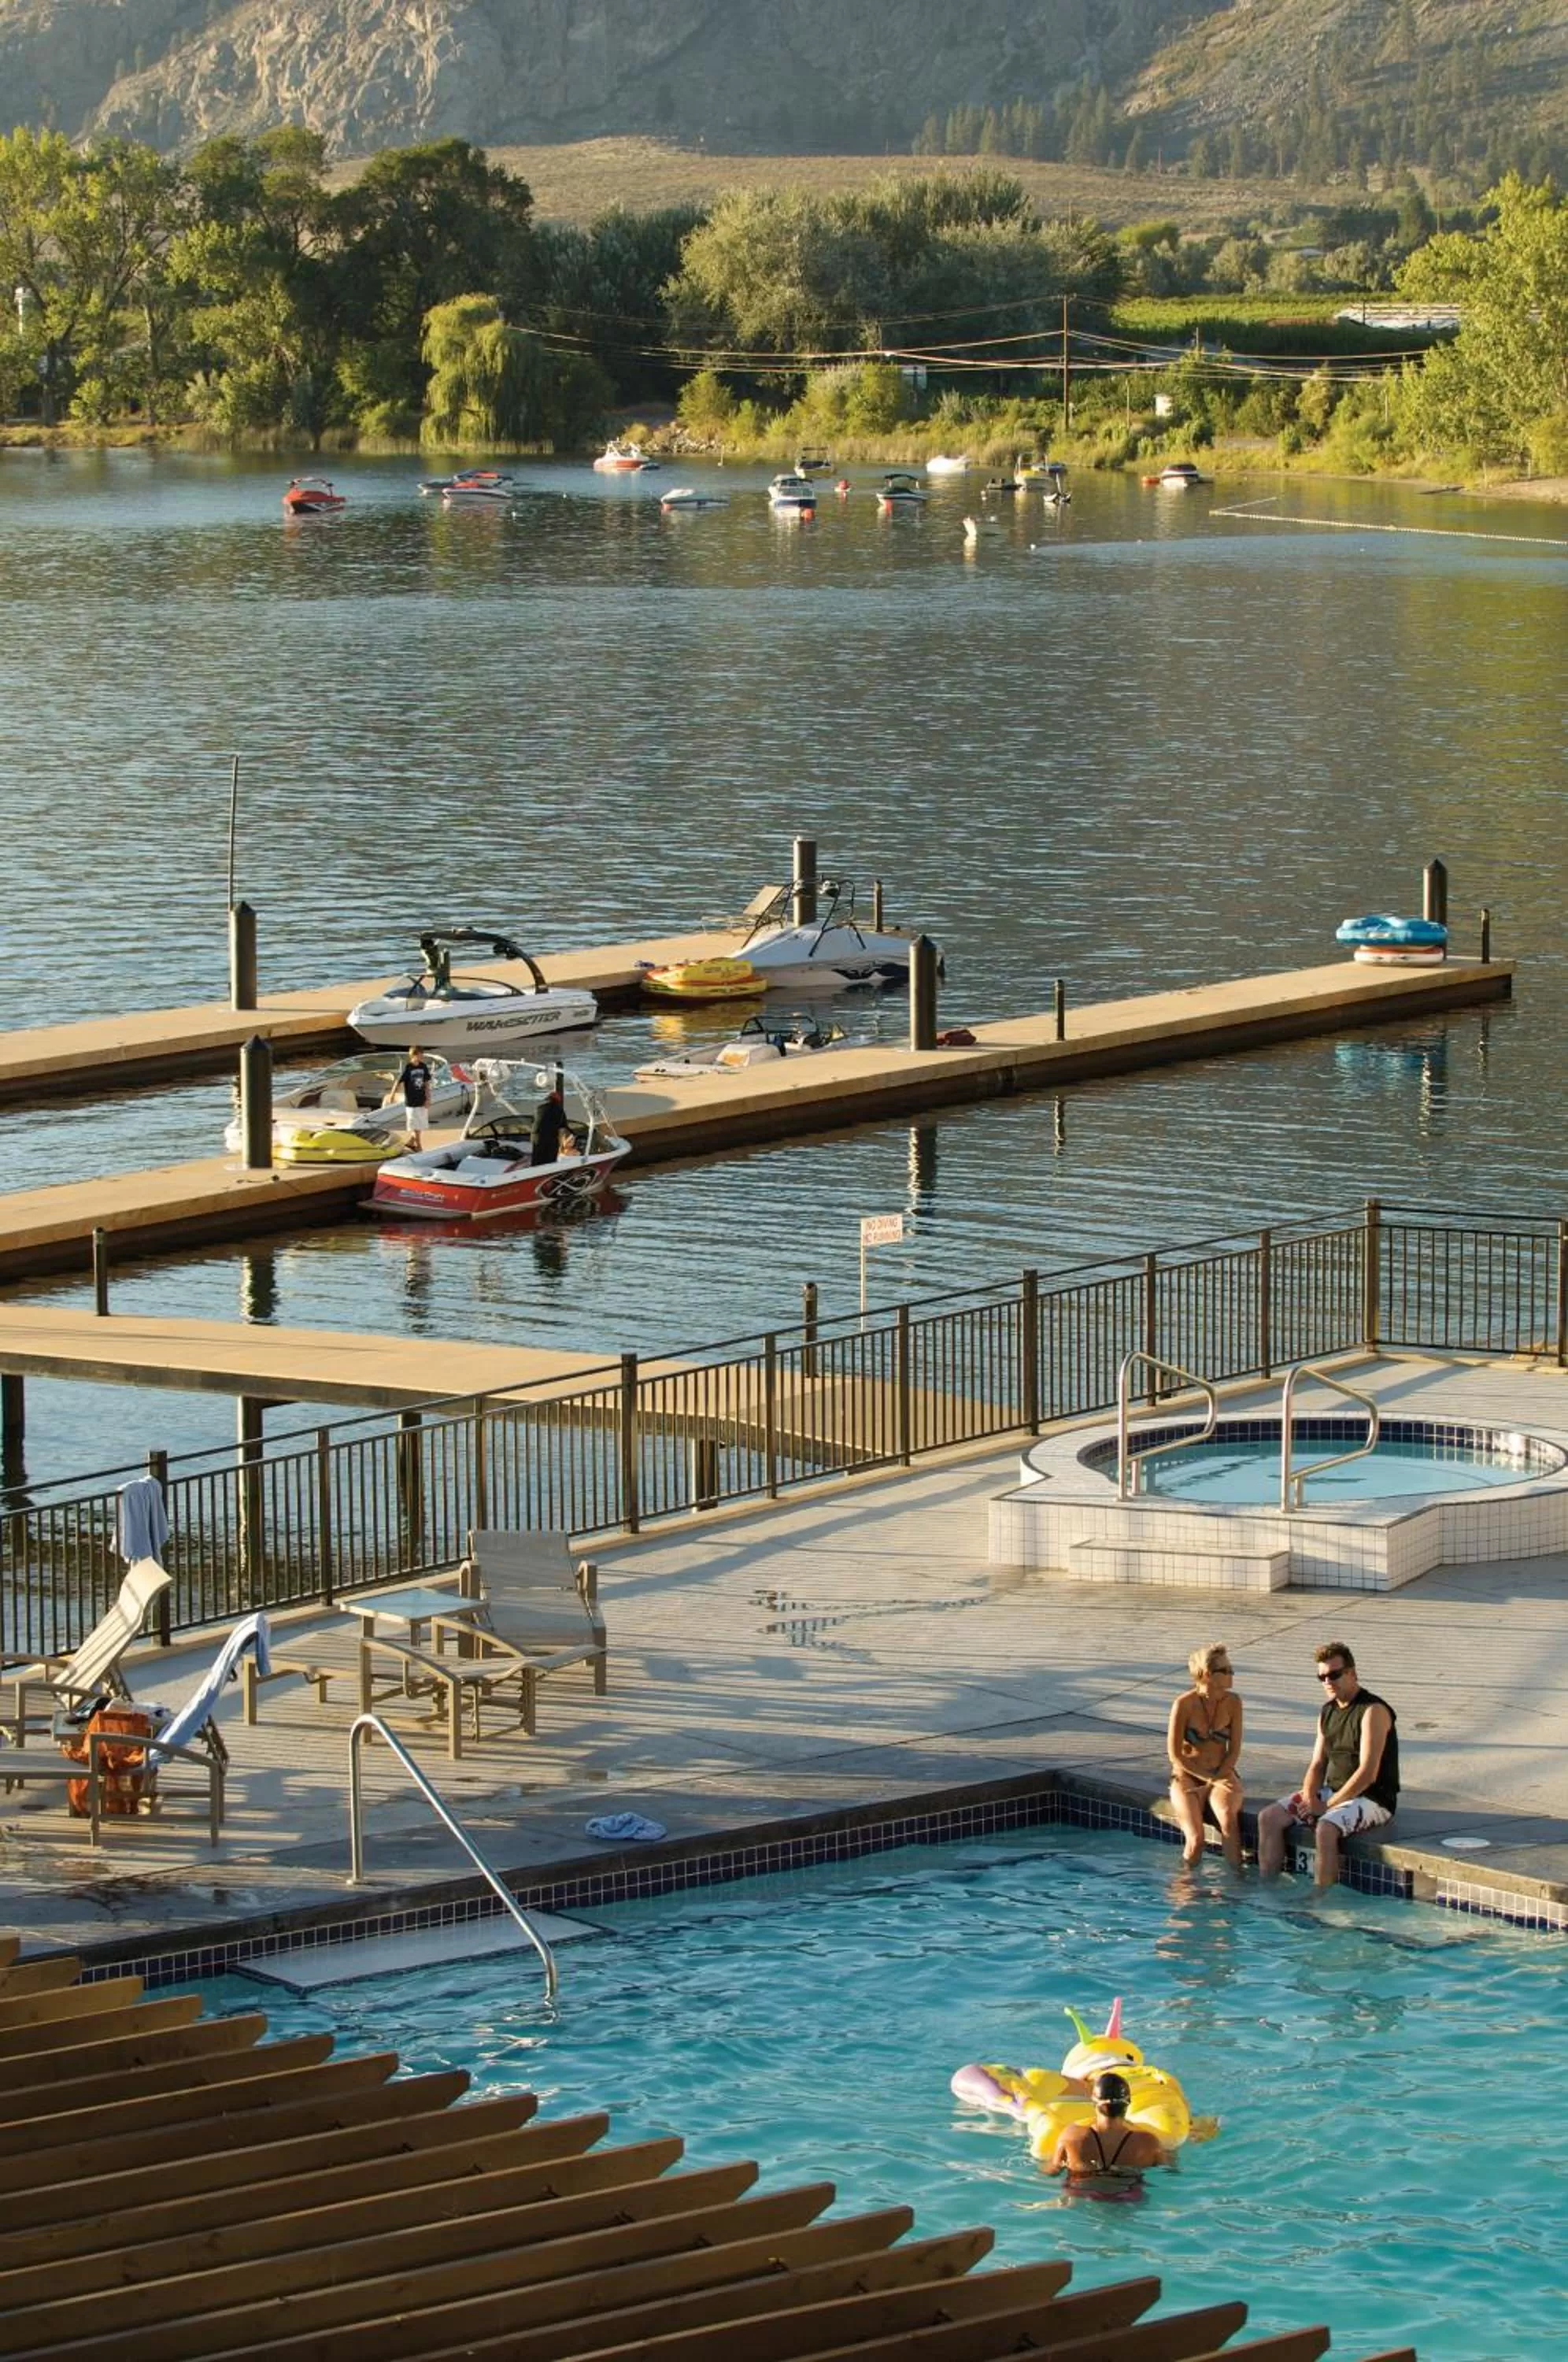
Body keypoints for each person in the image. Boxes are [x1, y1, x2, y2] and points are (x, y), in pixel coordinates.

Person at [1257, 1642, 1399, 1887]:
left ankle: (1320, 1899)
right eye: (1321, 1677)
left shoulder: (1372, 1711)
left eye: (1334, 1675)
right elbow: (1317, 1764)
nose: (1328, 1682)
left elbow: (1367, 1773)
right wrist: (1311, 1797)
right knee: (1268, 1818)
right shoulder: (1327, 1712)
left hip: (1372, 1799)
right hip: (1333, 1793)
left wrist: (1325, 1807)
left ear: (1352, 1674)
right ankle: (1267, 1889)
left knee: (1325, 1828)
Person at [1167, 1642, 1244, 1869]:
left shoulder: (1234, 1703)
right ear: (1208, 1674)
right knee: (1196, 1838)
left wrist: (1217, 1778)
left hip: (1221, 1772)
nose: (1231, 1675)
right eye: (1226, 1671)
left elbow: (1234, 1750)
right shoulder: (1183, 1704)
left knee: (1229, 1821)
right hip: (1188, 1776)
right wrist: (1206, 1780)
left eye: (1231, 1670)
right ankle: (1185, 1888)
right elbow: (1175, 1755)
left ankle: (1235, 1885)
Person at [1046, 2072, 1170, 2199]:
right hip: (1127, 2195)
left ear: (1094, 2102)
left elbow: (1051, 2172)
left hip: (1080, 2193)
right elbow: (1168, 2172)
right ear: (1128, 2103)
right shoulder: (1149, 2143)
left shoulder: (1071, 2136)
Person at [384, 1046, 433, 1142]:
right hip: (411, 1101)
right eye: (420, 1054)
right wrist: (392, 1095)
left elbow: (426, 1083)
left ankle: (411, 1142)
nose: (422, 1056)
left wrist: (428, 1099)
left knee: (420, 1125)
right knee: (414, 1125)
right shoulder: (408, 1068)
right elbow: (398, 1082)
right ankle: (418, 1146)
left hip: (421, 1099)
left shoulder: (423, 1066)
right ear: (414, 1055)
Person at [531, 1080, 571, 1165]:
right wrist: (572, 1134)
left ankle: (533, 1175)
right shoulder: (559, 1110)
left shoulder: (539, 1108)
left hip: (535, 1137)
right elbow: (564, 1127)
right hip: (549, 1138)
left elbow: (533, 1121)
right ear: (557, 1101)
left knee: (537, 1159)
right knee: (550, 1161)